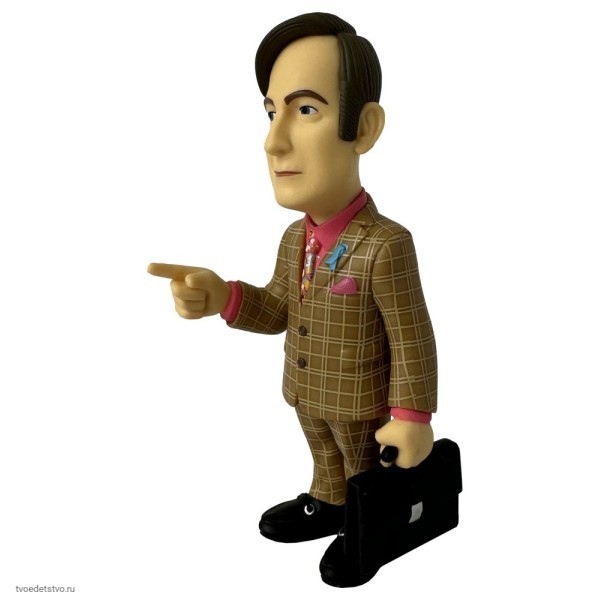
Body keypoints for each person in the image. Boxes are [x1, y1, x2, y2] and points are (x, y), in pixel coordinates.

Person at [148, 12, 437, 587]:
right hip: (306, 390)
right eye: (270, 112)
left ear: (364, 128)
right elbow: (280, 307)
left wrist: (412, 417)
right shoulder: (294, 239)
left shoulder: (385, 245)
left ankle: (363, 529)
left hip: (359, 402)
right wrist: (224, 297)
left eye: (305, 110)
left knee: (361, 469)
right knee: (325, 457)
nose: (273, 141)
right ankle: (327, 503)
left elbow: (412, 336)